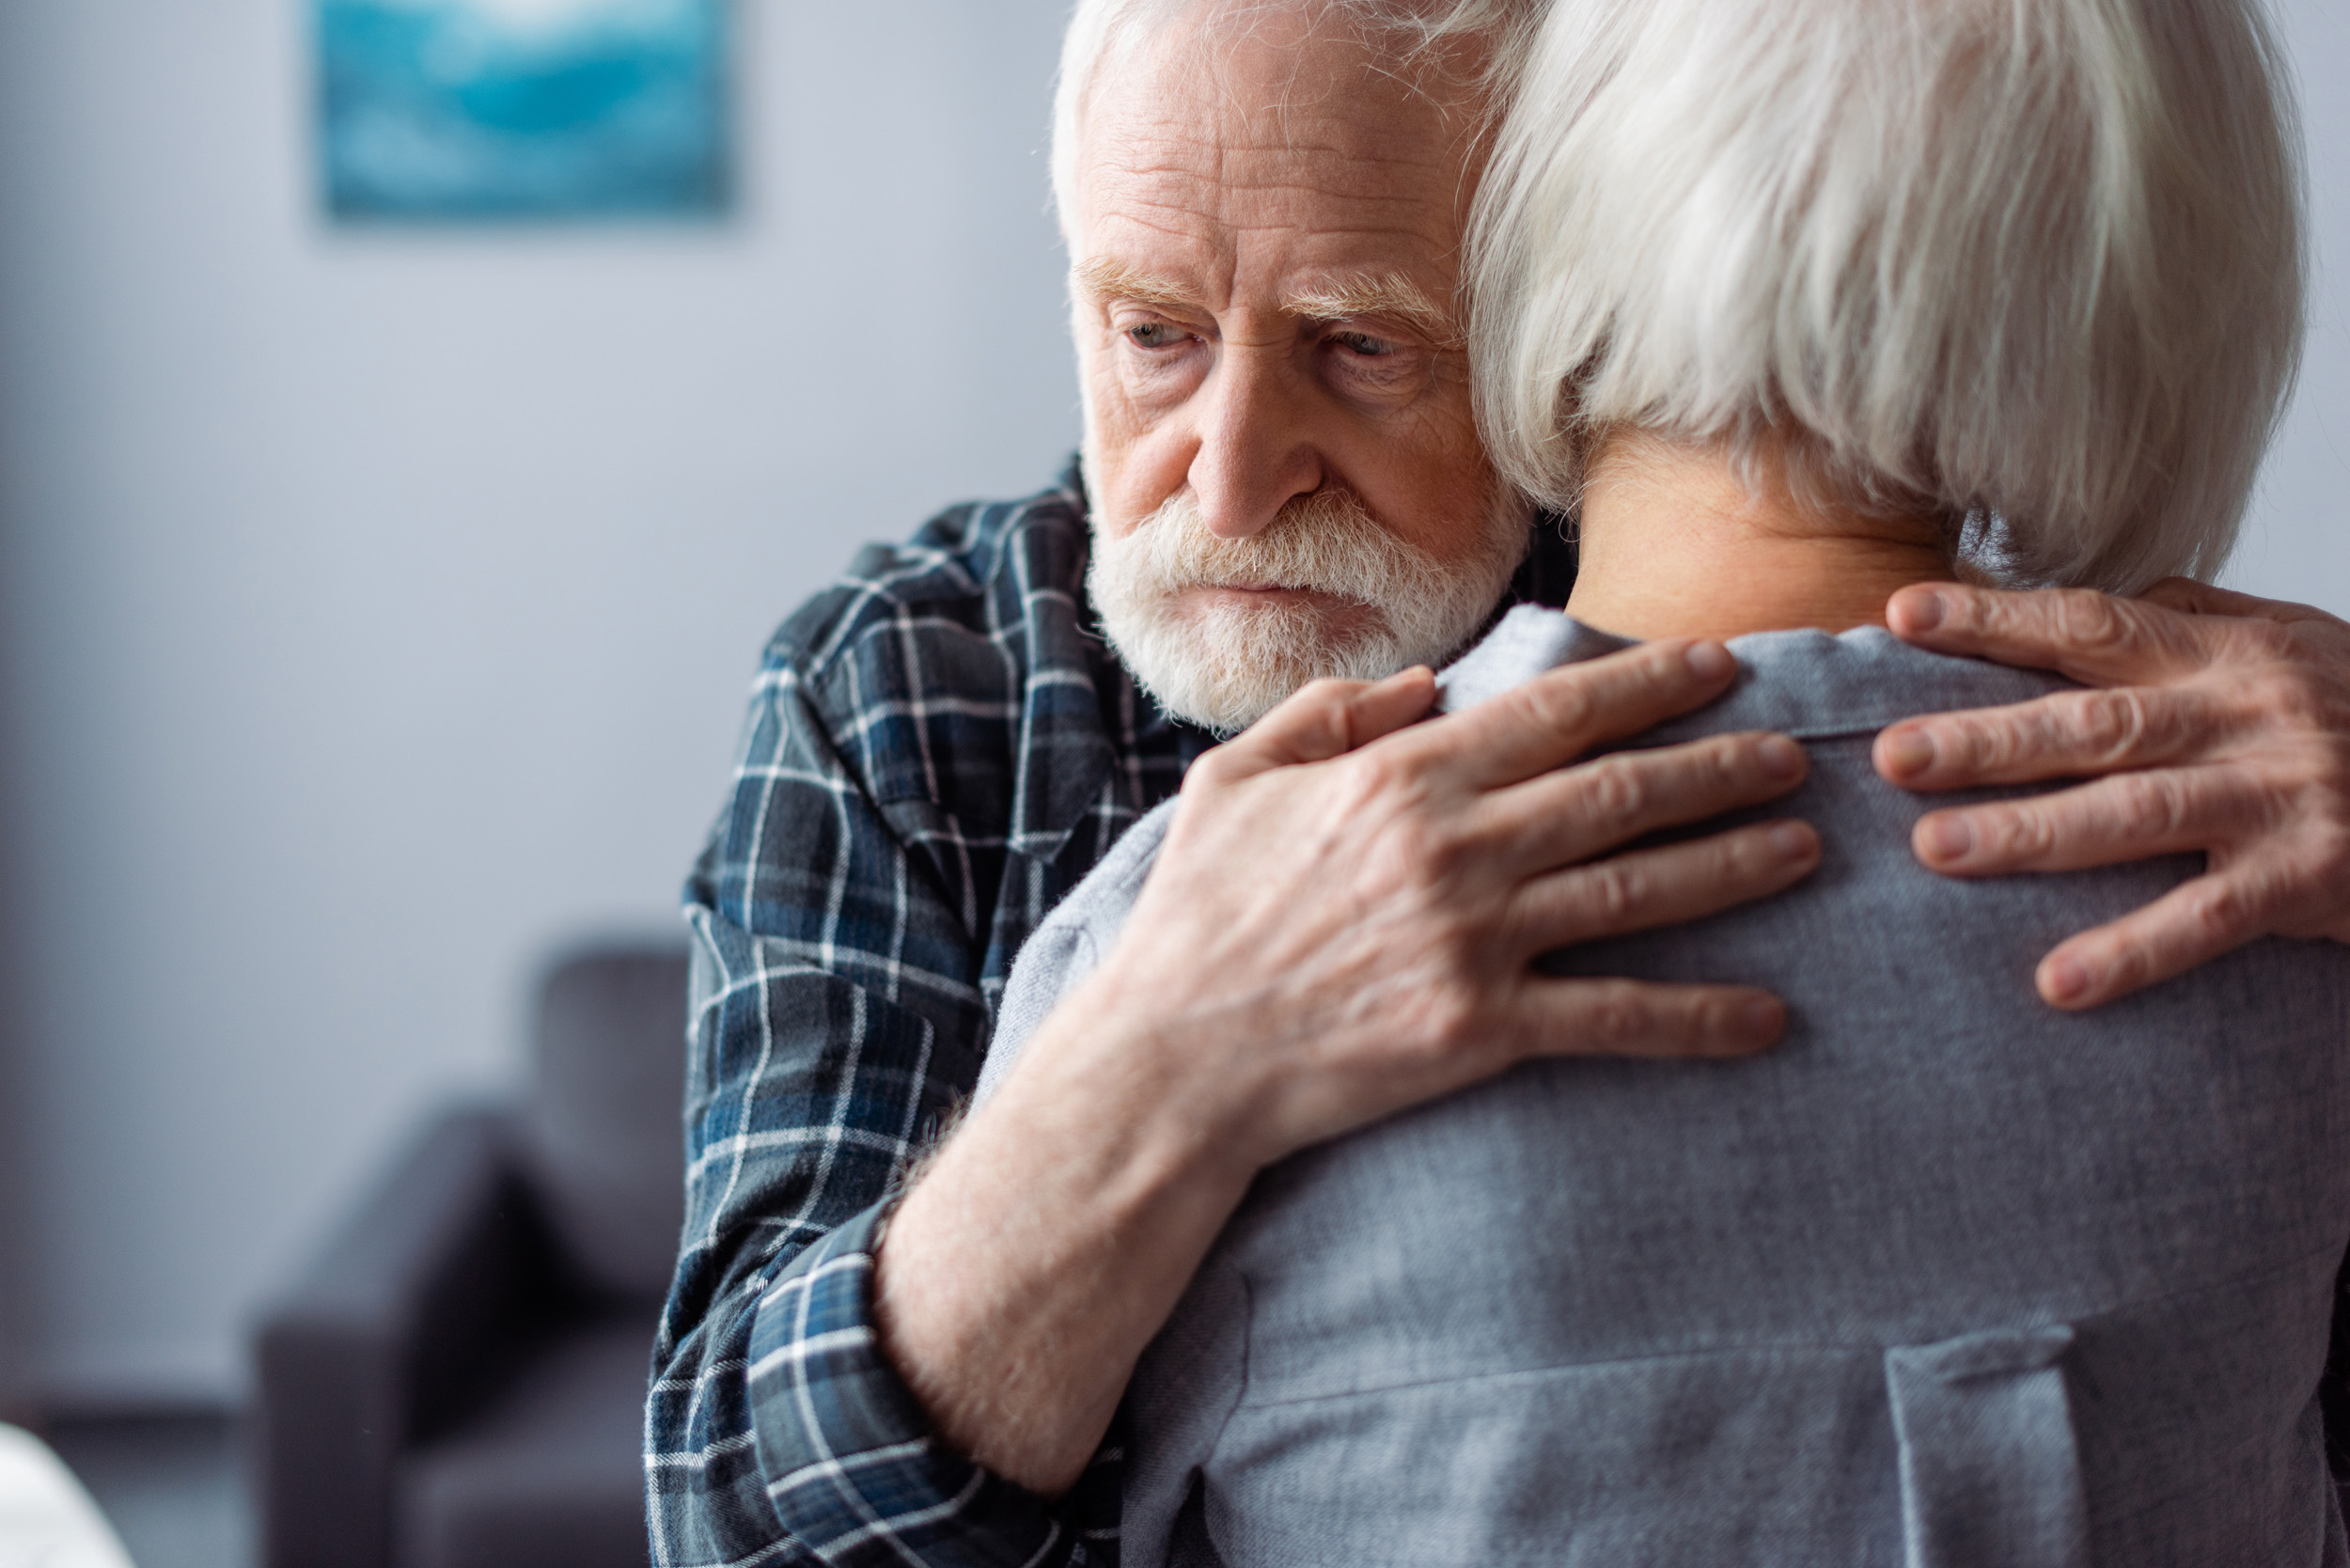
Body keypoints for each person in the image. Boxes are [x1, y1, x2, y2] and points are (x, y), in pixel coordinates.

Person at [644, 1, 2350, 1562]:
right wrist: (1159, 1070)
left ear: (1571, 293)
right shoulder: (916, 689)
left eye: (1361, 346)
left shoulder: (1949, 661)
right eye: (1152, 333)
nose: (1230, 484)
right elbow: (736, 1528)